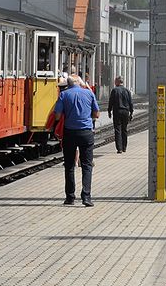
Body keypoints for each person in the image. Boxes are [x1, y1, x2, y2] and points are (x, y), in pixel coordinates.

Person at [53, 73, 99, 207]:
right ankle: (86, 197)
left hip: (70, 133)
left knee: (69, 165)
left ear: (68, 84)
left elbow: (57, 116)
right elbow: (96, 114)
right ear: (80, 83)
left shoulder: (64, 95)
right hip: (86, 133)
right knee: (87, 165)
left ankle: (70, 197)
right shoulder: (89, 94)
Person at [107, 76, 134, 153]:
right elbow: (130, 102)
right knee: (124, 129)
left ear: (118, 82)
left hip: (117, 112)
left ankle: (119, 148)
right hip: (125, 112)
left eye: (115, 81)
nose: (114, 82)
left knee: (117, 129)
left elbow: (111, 102)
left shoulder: (114, 90)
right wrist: (131, 112)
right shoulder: (127, 91)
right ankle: (124, 147)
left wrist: (109, 111)